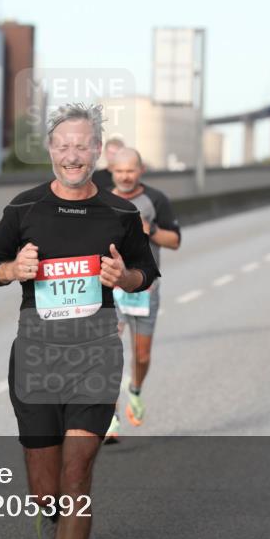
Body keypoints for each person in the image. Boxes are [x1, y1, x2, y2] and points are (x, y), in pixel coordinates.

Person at [0, 104, 159, 539]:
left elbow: (146, 271)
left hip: (95, 352)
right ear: (51, 150)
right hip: (36, 352)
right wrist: (13, 270)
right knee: (47, 487)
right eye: (64, 146)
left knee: (77, 474)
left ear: (97, 151)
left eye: (82, 146)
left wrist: (125, 277)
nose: (73, 155)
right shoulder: (24, 208)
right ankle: (48, 509)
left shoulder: (121, 213)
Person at [104, 146, 180, 440]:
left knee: (142, 354)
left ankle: (135, 389)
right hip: (109, 289)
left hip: (145, 289)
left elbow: (175, 241)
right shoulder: (100, 199)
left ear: (141, 170)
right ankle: (110, 417)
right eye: (120, 171)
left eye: (130, 171)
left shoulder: (156, 199)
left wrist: (151, 230)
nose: (125, 176)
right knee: (107, 353)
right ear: (112, 171)